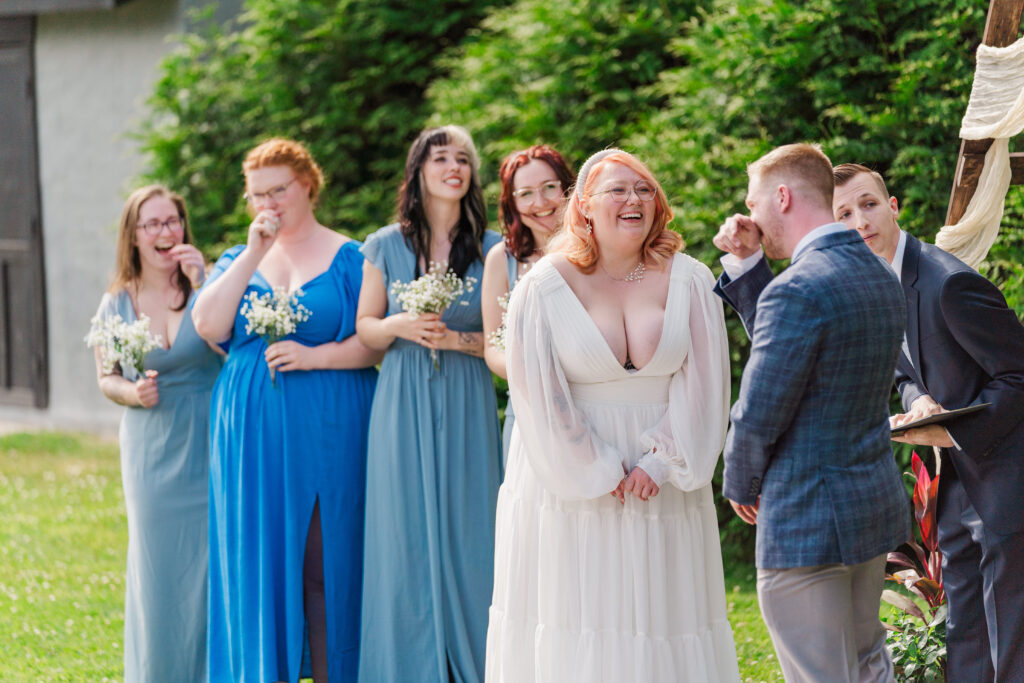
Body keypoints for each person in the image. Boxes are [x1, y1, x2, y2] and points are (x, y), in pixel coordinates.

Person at [487, 148, 740, 682]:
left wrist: (661, 460)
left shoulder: (691, 280)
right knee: (577, 613)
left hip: (662, 478)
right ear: (583, 207)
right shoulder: (543, 285)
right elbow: (538, 392)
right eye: (619, 190)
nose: (634, 199)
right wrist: (595, 467)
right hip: (568, 478)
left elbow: (706, 384)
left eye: (644, 189)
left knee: (663, 614)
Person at [711, 144, 910, 682]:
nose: (749, 217)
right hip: (866, 511)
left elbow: (758, 410)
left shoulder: (798, 289)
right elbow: (797, 354)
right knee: (869, 665)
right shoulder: (879, 276)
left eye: (754, 203)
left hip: (805, 520)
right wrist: (751, 267)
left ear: (782, 196)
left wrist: (740, 482)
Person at [192, 138, 380, 683]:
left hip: (330, 425)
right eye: (257, 195)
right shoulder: (239, 257)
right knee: (261, 564)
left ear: (308, 185)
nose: (269, 203)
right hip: (251, 434)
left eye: (279, 189)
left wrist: (314, 355)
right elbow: (208, 326)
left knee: (323, 561)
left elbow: (372, 343)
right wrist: (253, 251)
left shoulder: (352, 257)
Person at [832, 163, 1024, 681]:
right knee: (965, 630)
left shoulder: (948, 283)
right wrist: (920, 402)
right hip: (957, 485)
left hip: (1006, 480)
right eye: (844, 213)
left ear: (892, 206)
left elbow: (1018, 376)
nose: (860, 221)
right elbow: (906, 372)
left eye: (868, 205)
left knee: (1011, 636)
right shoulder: (877, 284)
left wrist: (951, 431)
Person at [355, 125, 502, 683]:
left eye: (463, 159)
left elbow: (499, 338)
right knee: (402, 528)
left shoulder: (492, 248)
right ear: (418, 171)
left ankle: (480, 660)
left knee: (473, 525)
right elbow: (366, 329)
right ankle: (407, 663)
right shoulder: (385, 244)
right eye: (441, 158)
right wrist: (400, 323)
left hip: (466, 393)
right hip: (401, 394)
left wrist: (456, 342)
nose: (454, 167)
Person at [90, 185, 221, 682]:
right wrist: (130, 393)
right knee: (158, 568)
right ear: (135, 236)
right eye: (153, 224)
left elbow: (231, 348)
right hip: (152, 447)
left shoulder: (206, 287)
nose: (166, 232)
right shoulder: (116, 303)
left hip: (209, 435)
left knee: (212, 563)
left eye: (173, 222)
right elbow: (105, 377)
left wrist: (203, 280)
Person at [481, 144, 574, 461]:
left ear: (568, 188)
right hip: (529, 412)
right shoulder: (501, 259)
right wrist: (527, 370)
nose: (541, 202)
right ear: (512, 204)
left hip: (594, 404)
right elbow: (492, 345)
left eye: (550, 187)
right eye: (525, 194)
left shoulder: (598, 249)